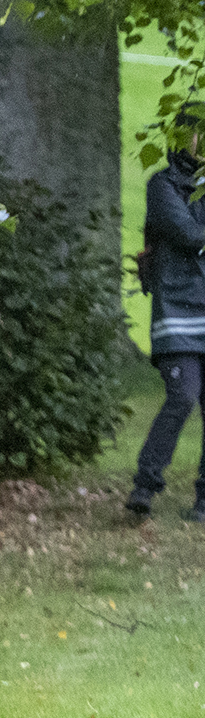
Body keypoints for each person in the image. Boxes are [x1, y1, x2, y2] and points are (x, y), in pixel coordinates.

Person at [128, 106, 205, 522]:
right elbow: (190, 235)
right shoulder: (164, 186)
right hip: (177, 310)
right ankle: (145, 484)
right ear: (182, 138)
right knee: (182, 396)